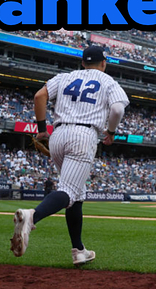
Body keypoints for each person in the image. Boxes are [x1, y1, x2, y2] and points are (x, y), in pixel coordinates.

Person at [10, 46, 129, 266]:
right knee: (69, 191)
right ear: (104, 63)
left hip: (58, 134)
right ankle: (32, 217)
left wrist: (42, 128)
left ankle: (79, 250)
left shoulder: (65, 77)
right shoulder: (109, 82)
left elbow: (39, 96)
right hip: (83, 135)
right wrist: (111, 132)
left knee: (76, 194)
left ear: (83, 63)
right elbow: (117, 111)